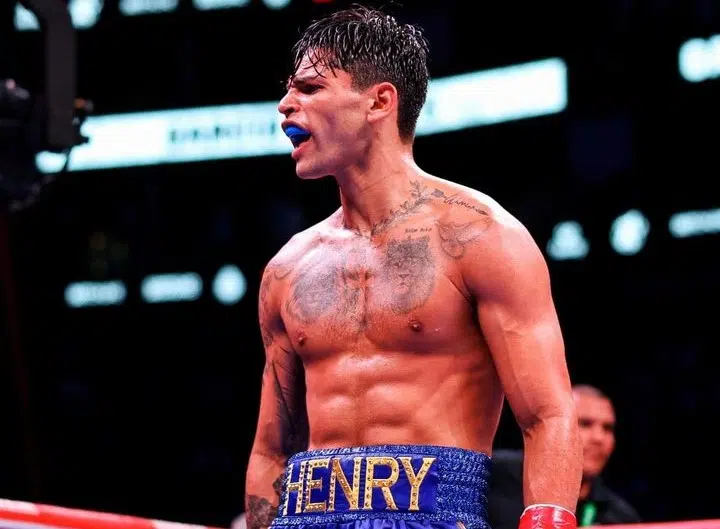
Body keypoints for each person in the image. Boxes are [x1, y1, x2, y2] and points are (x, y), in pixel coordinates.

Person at [245, 7, 582, 529]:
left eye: (310, 88)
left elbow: (548, 414)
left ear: (380, 101)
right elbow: (272, 449)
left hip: (435, 514)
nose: (286, 104)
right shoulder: (288, 268)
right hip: (306, 516)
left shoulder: (480, 236)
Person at [487, 385, 641, 529]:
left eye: (607, 428)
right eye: (585, 424)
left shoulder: (622, 517)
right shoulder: (494, 474)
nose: (598, 438)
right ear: (555, 427)